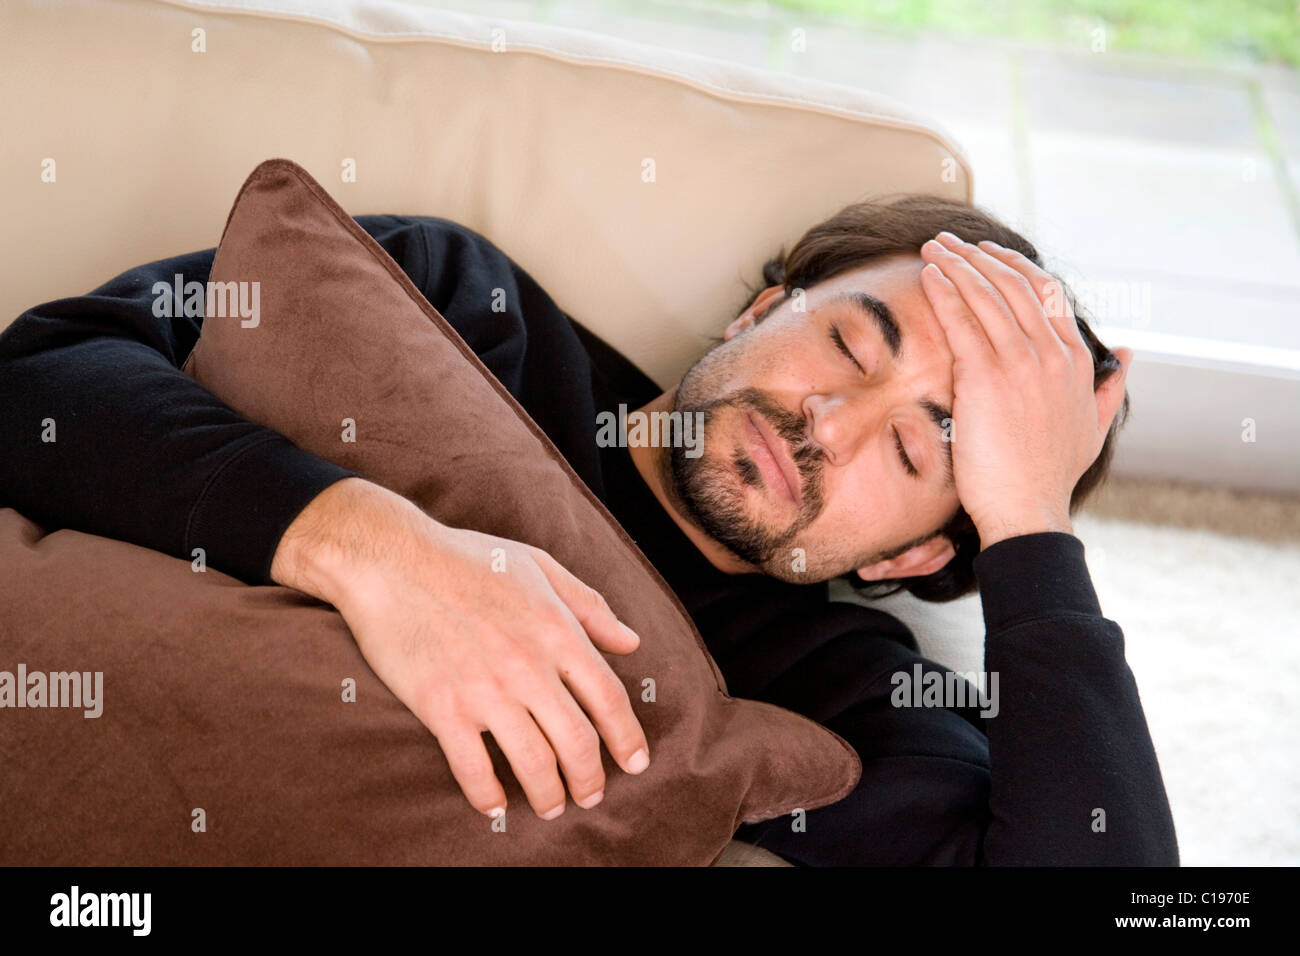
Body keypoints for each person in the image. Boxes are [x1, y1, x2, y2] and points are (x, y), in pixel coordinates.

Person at [0, 196, 1179, 865]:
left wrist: (1031, 522)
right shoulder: (461, 307)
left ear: (919, 553)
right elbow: (39, 380)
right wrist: (362, 543)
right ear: (764, 305)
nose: (826, 421)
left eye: (922, 450)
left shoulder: (848, 707)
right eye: (847, 344)